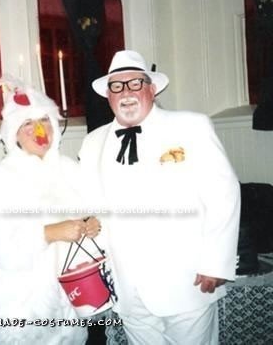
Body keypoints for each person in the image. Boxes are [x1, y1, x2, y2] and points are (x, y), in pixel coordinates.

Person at [78, 50, 241, 344]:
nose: (126, 92)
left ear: (151, 89)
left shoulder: (191, 126)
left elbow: (224, 195)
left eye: (135, 83)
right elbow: (90, 206)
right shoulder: (92, 143)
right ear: (108, 95)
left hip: (186, 280)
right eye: (117, 86)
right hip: (127, 287)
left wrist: (216, 263)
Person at [0, 83, 100, 345]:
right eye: (27, 123)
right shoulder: (1, 179)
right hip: (21, 305)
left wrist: (92, 224)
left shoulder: (69, 169)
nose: (39, 130)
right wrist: (48, 233)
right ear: (14, 135)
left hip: (70, 299)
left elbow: (91, 212)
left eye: (44, 120)